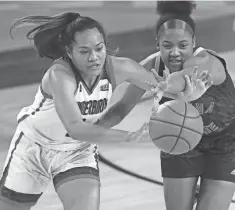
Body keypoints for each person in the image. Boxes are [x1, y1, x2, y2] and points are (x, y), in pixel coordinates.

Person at [0, 12, 207, 210]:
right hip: (34, 148)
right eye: (84, 51)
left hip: (77, 151)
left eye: (99, 48)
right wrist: (130, 137)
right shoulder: (60, 75)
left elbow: (163, 86)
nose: (94, 57)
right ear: (69, 52)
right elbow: (76, 127)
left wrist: (186, 93)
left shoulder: (120, 67)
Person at [97, 1, 235, 210]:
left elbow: (182, 77)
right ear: (158, 44)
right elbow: (121, 108)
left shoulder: (207, 61)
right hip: (179, 143)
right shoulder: (150, 67)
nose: (175, 53)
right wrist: (86, 132)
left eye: (183, 45)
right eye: (167, 46)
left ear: (194, 42)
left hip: (224, 143)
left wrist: (166, 85)